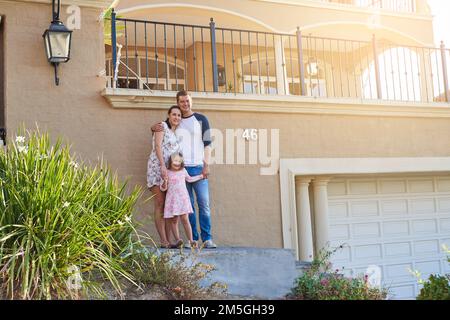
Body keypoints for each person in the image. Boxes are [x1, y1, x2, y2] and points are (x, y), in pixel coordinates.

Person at [152, 90, 217, 249]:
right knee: (187, 207)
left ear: (191, 101)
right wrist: (152, 128)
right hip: (179, 170)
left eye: (187, 101)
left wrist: (206, 164)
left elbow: (208, 144)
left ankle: (207, 239)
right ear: (178, 102)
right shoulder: (175, 120)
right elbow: (160, 131)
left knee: (204, 203)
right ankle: (192, 239)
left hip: (198, 167)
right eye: (182, 102)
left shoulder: (201, 119)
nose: (185, 104)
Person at [147, 105, 182, 248]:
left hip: (169, 173)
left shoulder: (175, 134)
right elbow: (157, 146)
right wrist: (162, 166)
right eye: (174, 114)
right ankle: (163, 241)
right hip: (157, 168)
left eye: (179, 115)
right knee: (160, 204)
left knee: (168, 206)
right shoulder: (161, 126)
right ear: (168, 115)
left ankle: (169, 240)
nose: (176, 117)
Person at [160, 152, 205, 249]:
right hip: (172, 199)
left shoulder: (183, 171)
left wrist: (200, 176)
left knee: (185, 219)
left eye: (179, 161)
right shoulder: (167, 172)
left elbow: (189, 179)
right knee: (174, 220)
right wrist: (164, 182)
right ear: (171, 161)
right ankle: (178, 240)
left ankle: (191, 240)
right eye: (175, 161)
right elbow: (163, 188)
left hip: (182, 198)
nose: (177, 163)